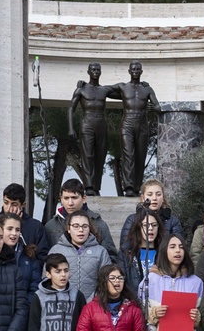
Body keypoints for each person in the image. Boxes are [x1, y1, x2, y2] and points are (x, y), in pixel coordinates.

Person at [111, 60, 160, 196]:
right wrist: (85, 85)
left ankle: (137, 187)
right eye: (133, 69)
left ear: (141, 72)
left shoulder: (147, 89)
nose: (136, 71)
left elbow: (158, 107)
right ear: (129, 71)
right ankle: (128, 187)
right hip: (127, 123)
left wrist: (153, 107)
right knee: (128, 155)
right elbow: (102, 90)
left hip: (142, 124)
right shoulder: (123, 87)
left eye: (138, 69)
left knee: (140, 156)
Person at [67, 62, 114, 196]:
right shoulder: (81, 89)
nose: (95, 72)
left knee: (100, 156)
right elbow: (71, 108)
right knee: (87, 155)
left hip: (101, 123)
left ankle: (96, 187)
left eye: (98, 69)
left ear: (100, 72)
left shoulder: (104, 90)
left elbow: (124, 91)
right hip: (87, 123)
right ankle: (88, 187)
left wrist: (140, 85)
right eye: (93, 69)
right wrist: (71, 128)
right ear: (88, 72)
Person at [48, 210, 112, 303]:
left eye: (85, 226)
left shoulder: (100, 251)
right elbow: (47, 280)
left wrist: (91, 302)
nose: (81, 230)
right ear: (68, 229)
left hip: (93, 306)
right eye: (76, 226)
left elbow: (106, 281)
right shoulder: (56, 250)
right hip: (62, 305)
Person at [44, 178, 118, 259]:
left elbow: (111, 257)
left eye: (74, 198)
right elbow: (45, 258)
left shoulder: (99, 225)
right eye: (66, 198)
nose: (70, 203)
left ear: (84, 199)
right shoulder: (50, 226)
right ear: (61, 199)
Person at [120, 179, 185, 248]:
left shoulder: (172, 221)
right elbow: (125, 248)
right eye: (150, 194)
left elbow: (178, 247)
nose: (154, 198)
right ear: (142, 198)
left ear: (163, 198)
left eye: (158, 194)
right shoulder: (132, 219)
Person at [0, 183, 49, 261]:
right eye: (6, 202)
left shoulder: (35, 226)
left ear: (23, 205)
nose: (9, 208)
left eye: (14, 204)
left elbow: (42, 256)